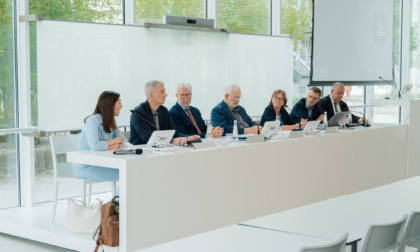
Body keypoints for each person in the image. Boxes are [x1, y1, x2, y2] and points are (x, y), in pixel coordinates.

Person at [72, 91, 125, 182]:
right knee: (125, 174)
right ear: (110, 105)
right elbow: (95, 145)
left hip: (99, 163)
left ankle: (121, 197)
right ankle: (120, 197)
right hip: (85, 166)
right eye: (119, 103)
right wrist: (113, 142)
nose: (121, 106)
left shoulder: (110, 121)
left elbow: (124, 140)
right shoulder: (93, 121)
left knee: (129, 172)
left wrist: (118, 145)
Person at [130, 80, 199, 145]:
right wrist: (172, 141)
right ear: (151, 95)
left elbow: (173, 132)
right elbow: (148, 139)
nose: (165, 94)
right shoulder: (138, 113)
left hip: (160, 151)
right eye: (162, 92)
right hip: (141, 153)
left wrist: (186, 138)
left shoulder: (164, 111)